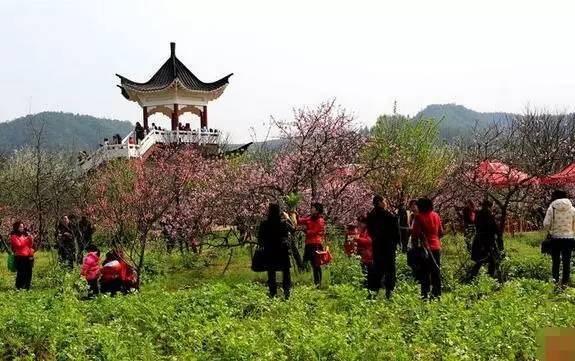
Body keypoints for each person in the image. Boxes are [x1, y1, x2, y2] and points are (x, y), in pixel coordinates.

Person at [366, 195, 399, 299]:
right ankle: (389, 292)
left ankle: (373, 292)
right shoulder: (389, 216)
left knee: (377, 269)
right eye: (384, 200)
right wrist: (396, 244)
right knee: (390, 270)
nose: (386, 203)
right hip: (389, 246)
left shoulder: (370, 216)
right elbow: (395, 233)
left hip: (377, 246)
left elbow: (370, 232)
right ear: (380, 202)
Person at [258, 203, 293, 299]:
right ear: (279, 211)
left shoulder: (264, 224)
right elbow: (292, 229)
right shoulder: (283, 223)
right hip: (282, 251)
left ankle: (272, 293)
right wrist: (288, 218)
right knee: (286, 272)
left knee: (271, 273)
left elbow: (260, 238)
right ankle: (287, 293)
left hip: (269, 252)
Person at [412, 198, 443, 300]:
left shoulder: (419, 217)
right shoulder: (436, 215)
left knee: (424, 273)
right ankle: (437, 295)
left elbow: (415, 234)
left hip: (425, 248)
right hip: (436, 246)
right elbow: (441, 232)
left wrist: (415, 247)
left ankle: (425, 295)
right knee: (436, 272)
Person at [543, 190, 575, 287]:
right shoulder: (572, 209)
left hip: (555, 238)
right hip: (569, 238)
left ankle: (555, 282)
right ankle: (565, 283)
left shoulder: (551, 208)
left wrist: (550, 230)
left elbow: (546, 224)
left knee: (555, 261)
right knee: (567, 261)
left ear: (555, 197)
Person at [466, 200, 503, 281]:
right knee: (492, 261)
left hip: (478, 240)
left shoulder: (478, 215)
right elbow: (495, 229)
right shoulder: (489, 216)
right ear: (488, 207)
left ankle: (472, 278)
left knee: (479, 261)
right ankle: (490, 278)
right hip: (487, 241)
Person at [298, 203, 326, 287]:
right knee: (309, 263)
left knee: (316, 264)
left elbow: (314, 232)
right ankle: (315, 282)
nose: (311, 209)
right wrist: (294, 214)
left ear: (317, 210)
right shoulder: (309, 218)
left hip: (316, 244)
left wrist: (305, 230)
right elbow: (300, 221)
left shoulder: (320, 220)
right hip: (309, 244)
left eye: (313, 208)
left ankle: (318, 283)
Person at [10, 221, 34, 290]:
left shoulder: (24, 236)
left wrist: (31, 239)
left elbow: (30, 245)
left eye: (22, 227)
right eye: (20, 227)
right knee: (21, 272)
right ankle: (19, 287)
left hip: (28, 256)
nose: (22, 228)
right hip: (20, 257)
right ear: (16, 227)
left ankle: (27, 286)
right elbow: (19, 245)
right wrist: (27, 239)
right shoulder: (14, 236)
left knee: (29, 272)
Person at [355, 217, 373, 287]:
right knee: (364, 270)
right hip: (363, 253)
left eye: (361, 223)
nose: (359, 224)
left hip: (368, 254)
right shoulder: (363, 231)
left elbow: (369, 241)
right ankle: (365, 283)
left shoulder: (368, 231)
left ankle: (368, 284)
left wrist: (358, 239)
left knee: (367, 271)